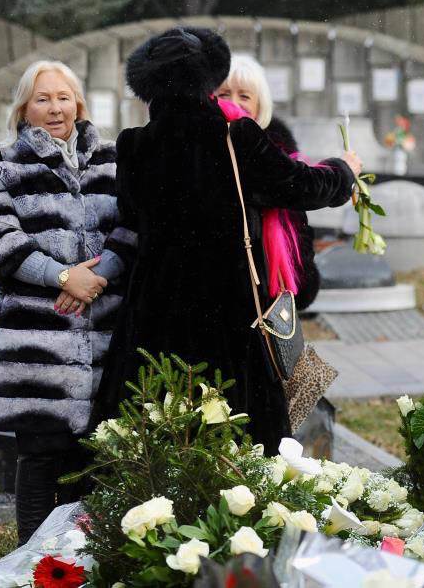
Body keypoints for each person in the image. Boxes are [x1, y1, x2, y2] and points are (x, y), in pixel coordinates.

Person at [92, 27, 360, 454]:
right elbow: (302, 185)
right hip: (227, 312)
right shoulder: (236, 137)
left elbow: (131, 217)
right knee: (238, 436)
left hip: (153, 311)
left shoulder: (135, 144)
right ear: (208, 77)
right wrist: (344, 170)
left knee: (154, 431)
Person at [0, 60, 136, 544]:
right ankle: (33, 564)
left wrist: (95, 280)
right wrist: (64, 276)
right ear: (24, 108)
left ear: (79, 103)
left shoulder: (112, 160)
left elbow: (131, 228)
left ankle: (86, 560)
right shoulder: (1, 164)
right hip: (33, 345)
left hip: (103, 337)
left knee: (96, 462)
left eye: (63, 97)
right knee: (40, 459)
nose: (55, 108)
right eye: (42, 99)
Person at [215, 54, 321, 310]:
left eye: (245, 96)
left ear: (260, 104)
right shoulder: (200, 148)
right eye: (225, 94)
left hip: (264, 292)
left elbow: (299, 218)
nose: (233, 103)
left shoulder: (278, 155)